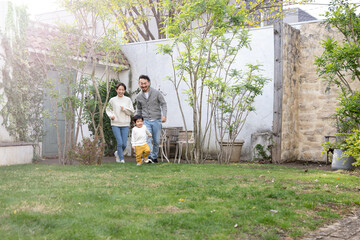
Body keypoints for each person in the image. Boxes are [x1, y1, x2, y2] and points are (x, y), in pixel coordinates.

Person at [136, 75, 167, 163]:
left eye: (145, 83)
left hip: (157, 120)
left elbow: (163, 104)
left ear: (149, 83)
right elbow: (139, 109)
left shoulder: (156, 93)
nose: (143, 85)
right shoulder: (138, 96)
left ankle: (154, 156)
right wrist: (138, 120)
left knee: (156, 141)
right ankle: (149, 157)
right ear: (139, 84)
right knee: (147, 139)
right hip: (145, 121)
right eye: (141, 83)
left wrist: (164, 115)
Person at [106, 82, 134, 163]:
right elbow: (108, 109)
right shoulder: (112, 100)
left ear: (124, 91)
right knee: (119, 142)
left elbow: (131, 111)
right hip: (115, 124)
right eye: (119, 89)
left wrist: (124, 109)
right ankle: (121, 159)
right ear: (116, 90)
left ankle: (117, 153)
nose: (121, 91)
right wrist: (111, 115)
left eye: (122, 90)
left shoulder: (128, 100)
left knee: (124, 144)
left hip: (125, 124)